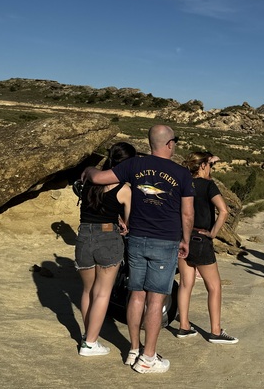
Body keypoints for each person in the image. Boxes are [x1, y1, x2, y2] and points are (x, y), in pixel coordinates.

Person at [82, 124, 194, 374]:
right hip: (164, 241)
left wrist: (89, 169)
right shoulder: (182, 174)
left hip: (136, 239)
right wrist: (185, 239)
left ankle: (133, 348)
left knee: (136, 294)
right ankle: (148, 358)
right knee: (156, 299)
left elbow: (99, 178)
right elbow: (187, 213)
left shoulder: (135, 166)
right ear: (169, 144)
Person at [75, 142, 135, 356]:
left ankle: (87, 336)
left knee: (88, 291)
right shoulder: (124, 189)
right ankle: (90, 344)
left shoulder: (90, 180)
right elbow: (127, 222)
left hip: (84, 235)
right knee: (102, 294)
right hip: (108, 237)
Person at [176, 152, 238, 344]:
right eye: (209, 165)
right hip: (201, 239)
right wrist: (213, 233)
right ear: (202, 166)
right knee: (214, 286)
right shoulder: (208, 186)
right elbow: (224, 211)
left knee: (186, 284)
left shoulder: (183, 183)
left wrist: (208, 161)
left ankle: (184, 326)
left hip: (182, 237)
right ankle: (215, 331)